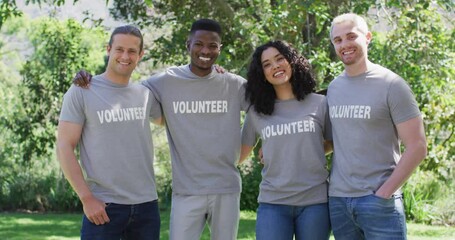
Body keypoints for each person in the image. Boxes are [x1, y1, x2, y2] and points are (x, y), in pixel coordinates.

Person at [73, 19, 248, 240]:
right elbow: (121, 91)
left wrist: (249, 146)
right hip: (186, 190)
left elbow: (264, 107)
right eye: (199, 44)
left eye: (212, 45)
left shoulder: (232, 83)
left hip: (226, 187)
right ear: (188, 45)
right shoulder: (162, 83)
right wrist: (88, 79)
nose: (205, 50)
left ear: (220, 48)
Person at [327, 13, 427, 239]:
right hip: (339, 202)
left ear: (368, 37)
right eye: (338, 40)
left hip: (380, 203)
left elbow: (418, 146)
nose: (344, 45)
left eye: (351, 36)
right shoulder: (334, 88)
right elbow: (336, 140)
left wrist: (384, 193)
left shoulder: (392, 85)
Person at [56, 25, 162, 240]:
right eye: (119, 49)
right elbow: (64, 146)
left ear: (140, 55)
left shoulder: (145, 94)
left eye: (132, 51)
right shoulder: (82, 90)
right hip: (104, 207)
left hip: (146, 207)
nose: (125, 56)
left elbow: (177, 119)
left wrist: (213, 74)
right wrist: (86, 198)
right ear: (108, 49)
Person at [239, 40, 332, 240]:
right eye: (267, 64)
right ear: (262, 74)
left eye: (279, 59)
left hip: (315, 201)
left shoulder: (320, 103)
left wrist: (293, 148)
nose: (275, 66)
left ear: (292, 61)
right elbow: (238, 155)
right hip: (273, 202)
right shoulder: (256, 112)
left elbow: (332, 143)